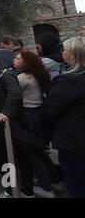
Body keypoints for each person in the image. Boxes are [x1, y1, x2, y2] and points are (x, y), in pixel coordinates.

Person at [41, 37, 85, 197]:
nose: (62, 52)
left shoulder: (70, 81)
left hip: (75, 140)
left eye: (64, 49)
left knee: (77, 182)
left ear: (72, 55)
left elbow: (50, 110)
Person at [14, 50, 58, 198]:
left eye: (18, 58)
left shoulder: (23, 78)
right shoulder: (40, 74)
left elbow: (14, 96)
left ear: (26, 62)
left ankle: (46, 187)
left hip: (28, 115)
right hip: (39, 113)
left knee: (33, 152)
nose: (15, 60)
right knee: (39, 149)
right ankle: (53, 179)